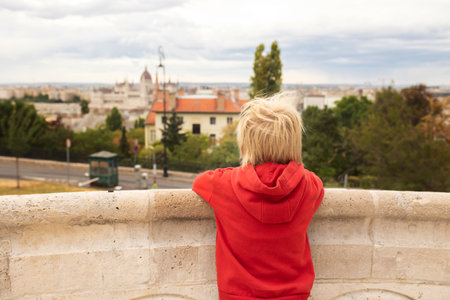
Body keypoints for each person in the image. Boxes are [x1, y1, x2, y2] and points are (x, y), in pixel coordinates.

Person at [192, 93, 324, 300]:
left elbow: (199, 182)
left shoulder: (223, 184)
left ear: (246, 143)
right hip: (295, 295)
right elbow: (316, 187)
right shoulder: (310, 185)